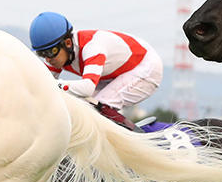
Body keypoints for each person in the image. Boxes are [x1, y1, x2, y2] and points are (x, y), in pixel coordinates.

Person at [28, 11, 163, 130]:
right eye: (42, 54)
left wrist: (53, 85)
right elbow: (40, 87)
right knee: (83, 106)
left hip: (146, 67)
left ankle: (141, 143)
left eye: (51, 52)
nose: (48, 59)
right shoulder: (58, 56)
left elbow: (86, 88)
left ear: (68, 43)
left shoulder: (92, 48)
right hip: (116, 73)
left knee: (99, 108)